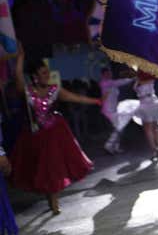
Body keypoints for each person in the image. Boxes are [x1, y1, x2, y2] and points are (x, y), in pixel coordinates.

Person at [10, 45, 99, 214]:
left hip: (54, 133)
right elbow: (18, 78)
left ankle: (54, 200)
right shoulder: (28, 92)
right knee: (39, 169)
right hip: (35, 135)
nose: (47, 75)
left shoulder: (54, 90)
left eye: (47, 72)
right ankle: (51, 198)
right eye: (43, 73)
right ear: (35, 77)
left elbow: (76, 98)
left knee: (52, 167)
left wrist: (96, 101)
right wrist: (20, 57)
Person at [98, 66, 135, 154]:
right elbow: (120, 82)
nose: (110, 74)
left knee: (120, 127)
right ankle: (109, 145)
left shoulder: (110, 83)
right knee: (119, 127)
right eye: (107, 73)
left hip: (113, 109)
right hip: (109, 109)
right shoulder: (104, 83)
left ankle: (115, 147)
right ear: (103, 74)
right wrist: (132, 78)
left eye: (110, 73)